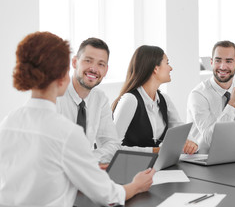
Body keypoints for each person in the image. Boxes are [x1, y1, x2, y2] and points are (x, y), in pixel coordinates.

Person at [0, 31, 155, 206]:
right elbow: (108, 196)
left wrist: (81, 166)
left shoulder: (7, 123)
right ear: (63, 75)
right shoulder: (66, 133)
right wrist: (136, 186)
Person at [186, 40, 235, 154]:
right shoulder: (198, 95)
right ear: (211, 62)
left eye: (229, 61)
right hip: (203, 158)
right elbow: (211, 140)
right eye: (218, 60)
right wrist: (232, 104)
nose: (222, 66)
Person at [112, 45, 190, 154]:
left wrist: (190, 142)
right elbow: (112, 147)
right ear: (155, 68)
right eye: (167, 63)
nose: (171, 68)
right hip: (132, 167)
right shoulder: (130, 100)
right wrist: (154, 151)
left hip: (155, 166)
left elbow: (179, 130)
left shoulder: (164, 99)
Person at [56, 37, 119, 165]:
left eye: (100, 64)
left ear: (106, 70)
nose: (94, 69)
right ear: (74, 62)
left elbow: (112, 144)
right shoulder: (55, 95)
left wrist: (87, 159)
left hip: (83, 173)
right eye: (88, 61)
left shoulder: (100, 99)